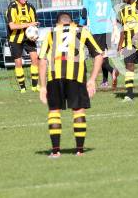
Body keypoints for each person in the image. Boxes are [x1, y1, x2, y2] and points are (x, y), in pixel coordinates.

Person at [38, 12, 103, 158]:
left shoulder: (51, 32)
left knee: (54, 112)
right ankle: (79, 151)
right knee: (78, 111)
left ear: (58, 23)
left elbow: (42, 60)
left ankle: (55, 152)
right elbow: (99, 55)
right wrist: (92, 79)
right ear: (71, 22)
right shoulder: (82, 30)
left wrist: (42, 87)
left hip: (54, 77)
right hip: (76, 76)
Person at [80, 0, 119, 89]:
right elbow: (112, 12)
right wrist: (115, 26)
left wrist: (81, 25)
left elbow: (84, 12)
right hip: (107, 29)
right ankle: (105, 81)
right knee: (103, 55)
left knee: (98, 56)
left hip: (96, 30)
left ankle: (112, 71)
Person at [6, 0, 39, 93]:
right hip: (15, 38)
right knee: (18, 62)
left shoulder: (30, 7)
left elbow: (34, 25)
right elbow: (12, 26)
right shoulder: (12, 7)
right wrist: (29, 24)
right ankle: (23, 88)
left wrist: (34, 33)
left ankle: (35, 86)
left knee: (35, 58)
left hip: (28, 38)